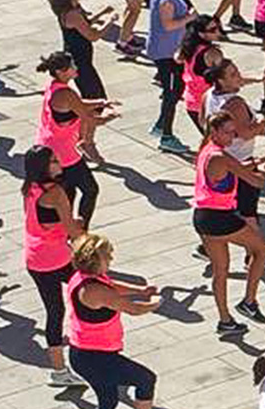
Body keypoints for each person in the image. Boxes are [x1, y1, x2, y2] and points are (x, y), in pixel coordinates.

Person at [192, 111, 265, 334]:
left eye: (233, 133)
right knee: (260, 249)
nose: (232, 137)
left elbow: (233, 169)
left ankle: (225, 320)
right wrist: (260, 170)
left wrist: (251, 163)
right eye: (227, 133)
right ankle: (249, 301)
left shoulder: (206, 150)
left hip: (202, 217)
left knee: (220, 270)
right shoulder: (220, 156)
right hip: (220, 218)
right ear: (214, 131)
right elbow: (256, 181)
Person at [65, 234, 160, 409]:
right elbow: (134, 309)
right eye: (107, 256)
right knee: (146, 379)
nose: (111, 259)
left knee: (108, 400)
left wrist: (140, 291)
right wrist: (153, 304)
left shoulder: (83, 277)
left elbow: (111, 286)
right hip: (94, 357)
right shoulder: (94, 291)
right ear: (96, 260)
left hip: (87, 353)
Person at [21, 146, 86, 387]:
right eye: (54, 161)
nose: (59, 164)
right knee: (87, 291)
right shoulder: (57, 192)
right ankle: (89, 345)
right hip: (57, 258)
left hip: (35, 258)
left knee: (54, 311)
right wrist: (80, 225)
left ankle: (59, 369)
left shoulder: (29, 188)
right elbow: (72, 231)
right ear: (43, 167)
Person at [37, 51, 116, 224]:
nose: (76, 68)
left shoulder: (54, 86)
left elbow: (77, 104)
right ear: (61, 71)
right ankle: (81, 229)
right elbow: (91, 120)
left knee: (68, 191)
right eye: (72, 66)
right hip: (63, 153)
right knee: (90, 189)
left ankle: (66, 227)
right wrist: (109, 117)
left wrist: (100, 102)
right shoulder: (67, 94)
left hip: (48, 146)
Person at [147, 0, 197, 153]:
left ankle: (161, 125)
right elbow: (168, 25)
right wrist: (189, 18)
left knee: (177, 88)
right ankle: (166, 135)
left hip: (172, 49)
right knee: (172, 92)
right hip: (166, 52)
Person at [179, 15, 224, 131]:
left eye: (218, 27)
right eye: (213, 30)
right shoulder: (213, 53)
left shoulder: (188, 47)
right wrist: (254, 80)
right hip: (210, 104)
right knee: (220, 142)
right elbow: (226, 77)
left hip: (192, 103)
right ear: (201, 34)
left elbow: (177, 58)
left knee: (209, 140)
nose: (218, 32)